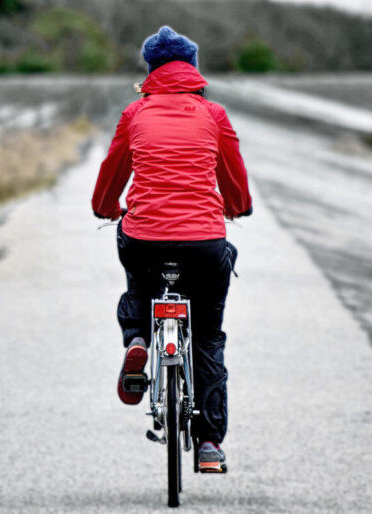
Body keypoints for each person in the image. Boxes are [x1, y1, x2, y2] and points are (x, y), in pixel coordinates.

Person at [92, 26, 252, 473]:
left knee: (139, 291)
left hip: (144, 240)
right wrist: (239, 207)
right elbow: (233, 178)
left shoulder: (133, 114)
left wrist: (105, 208)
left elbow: (112, 173)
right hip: (204, 243)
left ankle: (139, 339)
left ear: (151, 71)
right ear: (193, 69)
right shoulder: (214, 114)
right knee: (206, 335)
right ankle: (208, 445)